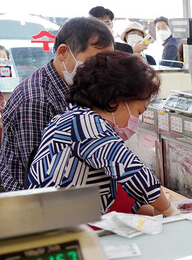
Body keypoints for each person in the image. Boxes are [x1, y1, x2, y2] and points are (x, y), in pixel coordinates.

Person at [28, 51, 179, 217]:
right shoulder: (85, 123)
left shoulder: (74, 118)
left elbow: (118, 185)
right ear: (114, 100)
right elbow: (131, 171)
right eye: (139, 111)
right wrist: (169, 210)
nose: (137, 119)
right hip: (54, 228)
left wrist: (157, 212)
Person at [0, 17, 114, 192]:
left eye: (106, 63)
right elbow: (41, 179)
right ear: (63, 52)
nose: (101, 70)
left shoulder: (72, 88)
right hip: (35, 208)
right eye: (94, 61)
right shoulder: (36, 101)